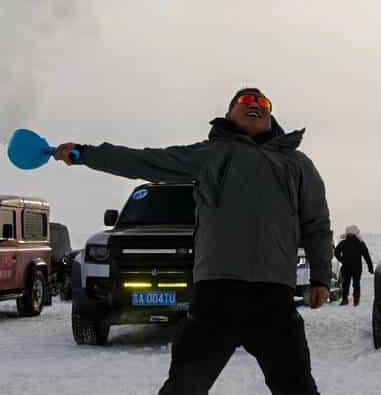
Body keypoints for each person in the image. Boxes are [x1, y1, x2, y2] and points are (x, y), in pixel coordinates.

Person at [53, 87, 332, 395]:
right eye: (245, 101)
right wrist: (86, 153)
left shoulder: (298, 164)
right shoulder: (210, 154)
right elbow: (145, 162)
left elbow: (316, 224)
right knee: (184, 387)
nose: (254, 105)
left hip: (274, 297)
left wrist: (320, 277)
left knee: (298, 388)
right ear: (229, 115)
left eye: (262, 102)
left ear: (271, 115)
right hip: (217, 295)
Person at [333, 225, 373, 306]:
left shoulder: (359, 244)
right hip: (350, 268)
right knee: (346, 284)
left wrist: (370, 267)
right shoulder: (345, 243)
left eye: (351, 233)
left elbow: (366, 256)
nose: (350, 235)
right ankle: (347, 299)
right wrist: (342, 260)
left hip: (354, 268)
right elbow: (336, 252)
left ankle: (355, 300)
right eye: (349, 233)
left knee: (355, 284)